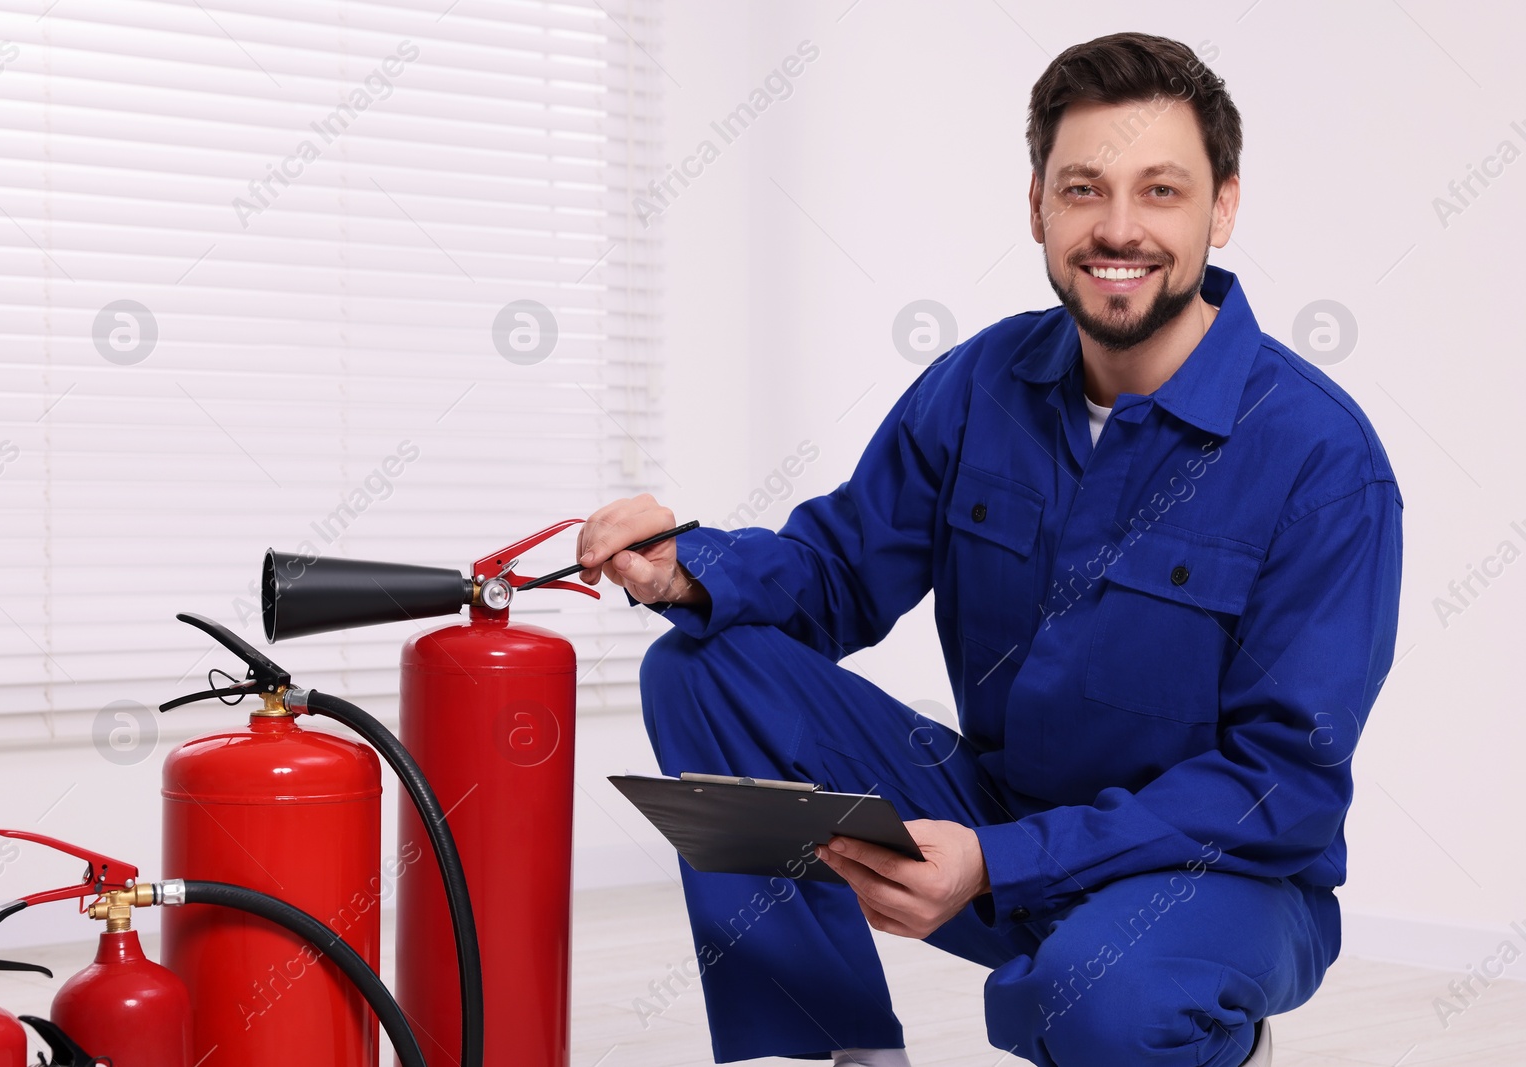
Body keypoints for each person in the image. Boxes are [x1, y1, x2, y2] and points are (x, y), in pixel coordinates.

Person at [575, 31, 1402, 1067]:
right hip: (994, 818)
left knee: (1090, 999)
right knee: (703, 664)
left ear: (1220, 208)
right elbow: (834, 575)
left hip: (1219, 876)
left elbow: (1280, 786)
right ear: (1036, 206)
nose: (1116, 228)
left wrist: (1000, 861)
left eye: (1159, 192)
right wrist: (690, 566)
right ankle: (829, 1046)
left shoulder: (1320, 459)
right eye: (1082, 188)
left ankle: (1206, 1034)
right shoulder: (981, 384)